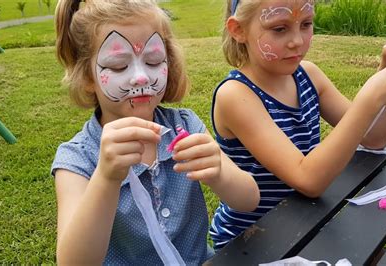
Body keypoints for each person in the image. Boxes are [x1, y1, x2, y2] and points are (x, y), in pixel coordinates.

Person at [51, 0, 260, 264]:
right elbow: (73, 262)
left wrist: (219, 171)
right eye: (118, 65)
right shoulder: (77, 159)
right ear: (87, 77)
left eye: (153, 61)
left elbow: (249, 199)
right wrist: (106, 178)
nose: (141, 77)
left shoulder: (185, 126)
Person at [210, 0, 386, 250]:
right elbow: (308, 179)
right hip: (251, 241)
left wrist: (385, 76)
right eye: (279, 29)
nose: (297, 41)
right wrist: (371, 96)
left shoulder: (308, 75)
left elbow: (374, 138)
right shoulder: (235, 95)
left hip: (306, 222)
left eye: (306, 24)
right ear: (239, 30)